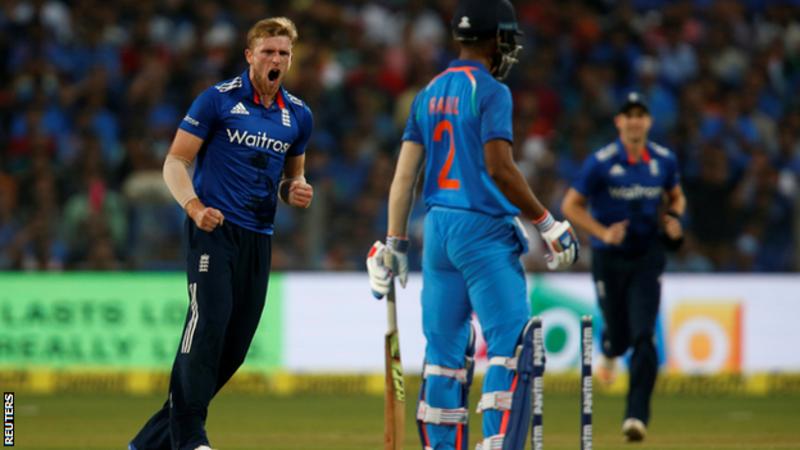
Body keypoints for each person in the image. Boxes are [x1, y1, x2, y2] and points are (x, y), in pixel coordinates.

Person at [366, 1, 579, 449]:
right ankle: (498, 442)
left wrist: (395, 242)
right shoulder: (491, 91)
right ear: (495, 38)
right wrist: (547, 223)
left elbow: (404, 178)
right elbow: (500, 168)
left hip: (437, 231)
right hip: (482, 229)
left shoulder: (428, 93)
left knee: (444, 355)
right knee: (510, 347)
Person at [129, 17, 313, 450]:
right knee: (208, 324)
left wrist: (296, 190)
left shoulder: (299, 115)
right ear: (250, 55)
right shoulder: (218, 100)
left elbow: (291, 179)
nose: (276, 59)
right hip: (213, 229)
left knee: (234, 349)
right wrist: (194, 207)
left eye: (283, 53)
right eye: (268, 52)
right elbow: (175, 162)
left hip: (259, 238)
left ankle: (147, 445)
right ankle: (191, 439)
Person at [561, 92, 686, 442]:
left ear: (648, 122)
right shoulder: (601, 162)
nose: (634, 121)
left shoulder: (663, 160)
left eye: (640, 115)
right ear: (618, 121)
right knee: (618, 337)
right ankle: (610, 348)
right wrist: (602, 233)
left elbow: (676, 195)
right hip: (609, 258)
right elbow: (570, 205)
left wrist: (673, 218)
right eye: (628, 115)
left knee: (643, 336)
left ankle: (636, 416)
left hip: (647, 256)